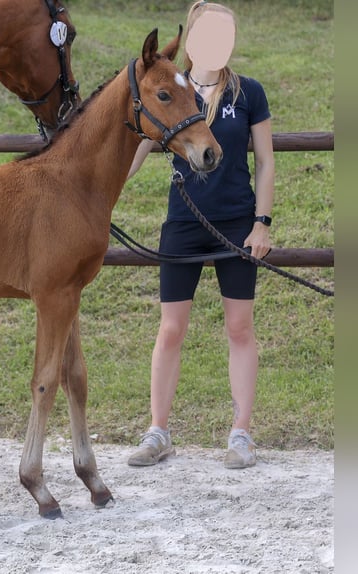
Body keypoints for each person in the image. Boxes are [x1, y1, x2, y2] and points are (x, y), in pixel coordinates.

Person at [126, 1, 275, 469]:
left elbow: (266, 161)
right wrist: (100, 192)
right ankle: (158, 432)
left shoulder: (248, 92)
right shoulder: (172, 89)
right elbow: (137, 148)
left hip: (235, 221)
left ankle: (241, 434)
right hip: (183, 223)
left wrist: (262, 223)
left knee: (239, 327)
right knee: (170, 330)